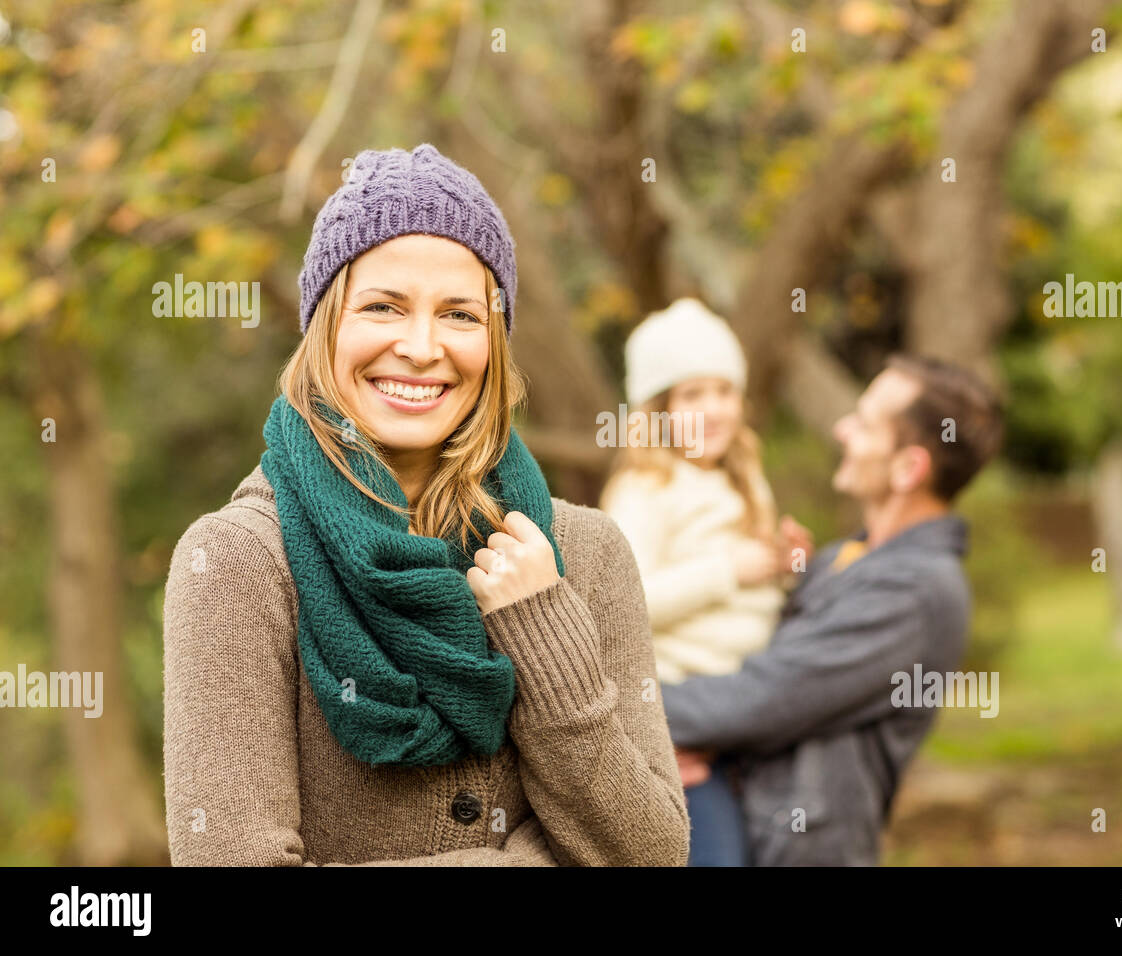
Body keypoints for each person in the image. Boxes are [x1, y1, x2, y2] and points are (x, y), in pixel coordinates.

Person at [162, 143, 689, 866]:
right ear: (325, 327)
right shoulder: (236, 562)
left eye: (460, 315)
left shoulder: (586, 552)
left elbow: (654, 853)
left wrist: (538, 624)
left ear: (495, 341)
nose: (420, 346)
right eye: (383, 306)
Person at [661, 355, 1004, 866]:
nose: (843, 430)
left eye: (865, 424)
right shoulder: (845, 558)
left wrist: (624, 714)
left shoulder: (917, 591)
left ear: (909, 468)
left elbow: (763, 697)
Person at [599, 299, 811, 866]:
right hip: (672, 709)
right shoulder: (647, 488)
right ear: (658, 409)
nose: (713, 409)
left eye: (725, 391)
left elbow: (750, 597)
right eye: (692, 395)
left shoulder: (744, 483)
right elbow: (623, 605)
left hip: (736, 713)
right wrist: (729, 570)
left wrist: (784, 567)